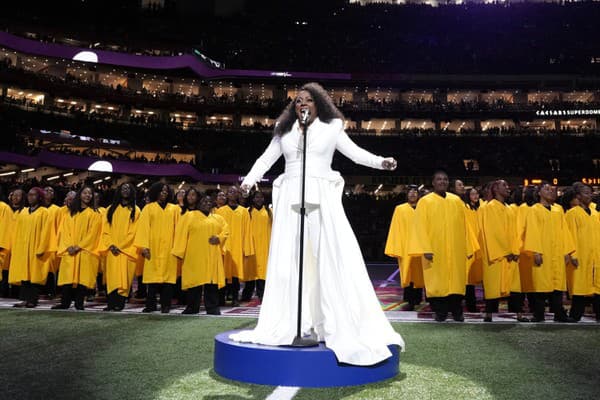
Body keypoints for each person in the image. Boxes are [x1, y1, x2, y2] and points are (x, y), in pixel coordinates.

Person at [230, 82, 403, 366]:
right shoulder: (284, 131)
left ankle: (328, 321)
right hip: (290, 199)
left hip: (322, 197)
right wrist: (248, 181)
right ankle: (296, 322)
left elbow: (355, 153)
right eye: (298, 101)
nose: (302, 104)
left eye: (308, 100)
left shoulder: (332, 127)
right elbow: (265, 159)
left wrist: (381, 162)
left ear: (318, 103)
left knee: (328, 257)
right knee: (291, 262)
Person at [409, 170, 477, 322]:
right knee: (437, 282)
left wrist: (468, 246)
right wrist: (425, 248)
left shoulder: (456, 201)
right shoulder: (425, 201)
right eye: (439, 179)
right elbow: (419, 227)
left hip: (456, 248)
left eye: (445, 179)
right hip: (435, 249)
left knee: (456, 282)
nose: (442, 182)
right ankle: (440, 312)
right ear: (433, 183)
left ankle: (457, 311)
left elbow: (465, 225)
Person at [522, 182, 575, 322]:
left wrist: (567, 252)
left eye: (552, 189)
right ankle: (539, 314)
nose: (550, 191)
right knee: (541, 285)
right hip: (543, 251)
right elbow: (532, 231)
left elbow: (565, 232)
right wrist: (536, 252)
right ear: (539, 193)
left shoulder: (558, 210)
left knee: (558, 285)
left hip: (557, 252)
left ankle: (559, 314)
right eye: (546, 189)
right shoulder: (534, 210)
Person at [479, 180, 527, 322]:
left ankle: (519, 313)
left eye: (507, 185)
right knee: (493, 284)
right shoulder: (490, 207)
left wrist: (515, 250)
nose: (507, 188)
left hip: (512, 254)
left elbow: (516, 232)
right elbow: (493, 232)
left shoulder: (509, 208)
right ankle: (489, 313)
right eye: (504, 186)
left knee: (515, 286)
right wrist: (506, 251)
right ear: (495, 189)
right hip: (497, 254)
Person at [173, 192, 229, 315]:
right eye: (204, 201)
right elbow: (181, 233)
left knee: (211, 282)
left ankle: (212, 307)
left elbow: (226, 231)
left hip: (211, 254)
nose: (206, 204)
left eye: (209, 202)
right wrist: (179, 251)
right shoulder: (189, 216)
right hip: (194, 254)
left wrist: (219, 238)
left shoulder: (218, 218)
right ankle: (192, 307)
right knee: (194, 282)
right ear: (199, 203)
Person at [52, 186, 102, 310]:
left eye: (90, 194)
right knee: (67, 278)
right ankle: (65, 303)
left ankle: (79, 303)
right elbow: (64, 231)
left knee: (82, 278)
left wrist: (79, 246)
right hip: (69, 250)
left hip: (84, 251)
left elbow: (93, 234)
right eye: (85, 193)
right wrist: (69, 246)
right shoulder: (70, 213)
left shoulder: (94, 214)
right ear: (80, 195)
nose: (87, 195)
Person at [134, 182, 180, 313]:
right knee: (151, 280)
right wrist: (144, 247)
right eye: (161, 190)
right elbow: (143, 228)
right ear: (156, 192)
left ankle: (166, 305)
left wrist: (177, 248)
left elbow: (179, 229)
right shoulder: (148, 208)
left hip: (169, 248)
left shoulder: (175, 208)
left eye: (166, 191)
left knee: (168, 280)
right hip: (152, 247)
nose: (164, 193)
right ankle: (151, 305)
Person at [8, 188, 53, 308]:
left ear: (39, 197)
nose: (30, 197)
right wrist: (15, 247)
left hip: (36, 248)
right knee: (24, 274)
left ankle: (32, 300)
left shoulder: (44, 212)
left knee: (34, 275)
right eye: (29, 195)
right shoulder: (23, 212)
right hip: (22, 249)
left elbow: (46, 232)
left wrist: (41, 248)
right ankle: (24, 299)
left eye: (33, 195)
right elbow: (17, 231)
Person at [100, 183, 141, 311]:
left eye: (128, 188)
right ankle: (111, 303)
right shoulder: (110, 209)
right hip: (112, 249)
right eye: (123, 188)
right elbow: (105, 230)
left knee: (125, 277)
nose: (125, 190)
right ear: (119, 191)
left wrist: (120, 246)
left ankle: (120, 303)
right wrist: (111, 245)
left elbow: (134, 232)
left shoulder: (136, 210)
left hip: (126, 251)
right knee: (111, 277)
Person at [385, 185, 424, 310]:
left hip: (421, 246)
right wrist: (397, 247)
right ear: (406, 194)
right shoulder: (400, 209)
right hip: (406, 246)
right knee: (408, 273)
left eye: (415, 192)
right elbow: (396, 228)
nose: (412, 194)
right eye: (410, 192)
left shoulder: (423, 208)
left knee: (420, 273)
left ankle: (418, 298)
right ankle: (409, 299)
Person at [565, 182, 600, 321]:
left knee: (598, 285)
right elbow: (569, 235)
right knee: (579, 286)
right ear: (578, 196)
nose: (589, 195)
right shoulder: (572, 213)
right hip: (580, 253)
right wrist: (572, 254)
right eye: (586, 193)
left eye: (590, 193)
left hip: (596, 254)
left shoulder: (596, 214)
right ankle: (575, 315)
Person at [215, 186, 254, 307]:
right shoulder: (220, 211)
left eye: (234, 192)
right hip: (223, 246)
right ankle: (221, 298)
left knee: (236, 274)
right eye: (229, 191)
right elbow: (217, 229)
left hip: (238, 246)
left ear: (238, 194)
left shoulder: (244, 211)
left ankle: (235, 298)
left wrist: (247, 248)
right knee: (222, 274)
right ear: (227, 194)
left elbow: (247, 231)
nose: (232, 194)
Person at [241, 190, 272, 302]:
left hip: (265, 245)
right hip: (251, 245)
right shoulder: (247, 211)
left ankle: (262, 295)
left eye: (261, 197)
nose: (259, 199)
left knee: (263, 274)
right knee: (250, 273)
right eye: (256, 197)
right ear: (252, 199)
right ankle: (246, 295)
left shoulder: (270, 212)